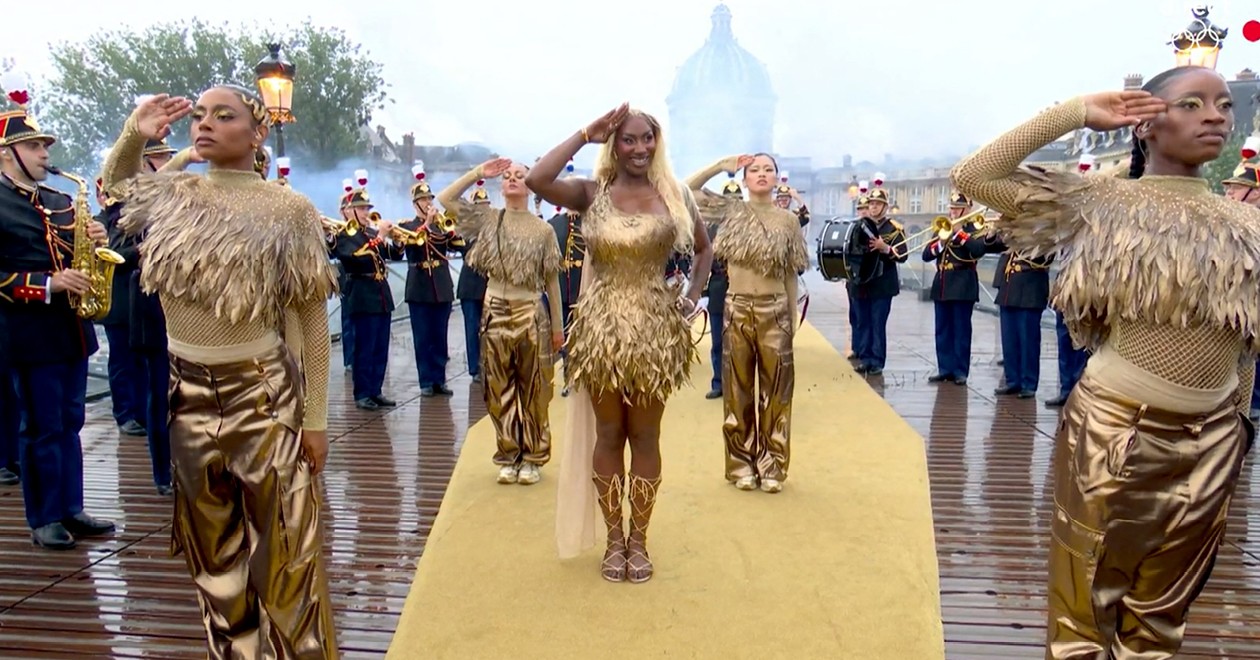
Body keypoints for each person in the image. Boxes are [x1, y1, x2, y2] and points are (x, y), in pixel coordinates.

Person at [952, 67, 1257, 659]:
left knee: (1163, 613)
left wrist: (1239, 424)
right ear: (1144, 123)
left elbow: (1245, 335)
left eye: (1223, 105)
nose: (1215, 115)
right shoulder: (1097, 203)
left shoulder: (1249, 225)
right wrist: (1073, 112)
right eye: (1191, 103)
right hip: (1115, 428)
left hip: (1214, 438)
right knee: (1083, 605)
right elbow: (975, 176)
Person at [112, 89, 339, 658]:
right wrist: (136, 133)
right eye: (198, 116)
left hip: (261, 395)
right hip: (184, 395)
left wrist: (315, 420)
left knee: (284, 552)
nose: (205, 125)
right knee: (212, 554)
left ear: (256, 133)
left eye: (223, 115)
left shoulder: (288, 209)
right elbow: (115, 186)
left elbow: (312, 321)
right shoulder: (173, 193)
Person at [527, 103, 713, 583]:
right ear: (615, 144)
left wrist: (693, 297)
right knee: (609, 435)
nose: (638, 148)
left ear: (657, 142)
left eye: (646, 139)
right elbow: (537, 180)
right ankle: (614, 540)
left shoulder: (674, 196)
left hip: (655, 333)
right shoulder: (592, 194)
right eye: (628, 139)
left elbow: (705, 250)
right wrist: (584, 134)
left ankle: (640, 541)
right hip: (600, 332)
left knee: (645, 436)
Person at [0, 100, 116, 550]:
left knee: (71, 421)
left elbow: (74, 253)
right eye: (34, 146)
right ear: (8, 152)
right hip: (29, 334)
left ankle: (71, 506)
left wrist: (95, 238)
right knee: (42, 427)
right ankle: (44, 516)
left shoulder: (59, 200)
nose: (46, 154)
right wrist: (47, 283)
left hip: (72, 331)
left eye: (45, 145)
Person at [437, 158, 564, 486]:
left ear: (531, 183)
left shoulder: (544, 229)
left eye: (519, 176)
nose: (511, 179)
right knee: (498, 388)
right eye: (507, 176)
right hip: (494, 310)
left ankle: (533, 457)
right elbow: (446, 200)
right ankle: (509, 454)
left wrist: (558, 327)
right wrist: (478, 173)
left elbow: (552, 282)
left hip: (530, 312)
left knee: (534, 389)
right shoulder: (488, 219)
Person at [687, 153, 808, 493]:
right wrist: (716, 166)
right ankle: (740, 464)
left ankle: (772, 466)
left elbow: (790, 273)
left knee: (777, 394)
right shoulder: (730, 211)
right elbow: (685, 191)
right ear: (744, 178)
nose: (761, 175)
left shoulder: (788, 221)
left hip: (776, 309)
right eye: (754, 170)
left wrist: (792, 319)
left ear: (777, 178)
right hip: (736, 307)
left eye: (768, 170)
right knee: (737, 391)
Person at [100, 135, 185, 496]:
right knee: (158, 391)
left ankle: (187, 463)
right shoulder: (123, 206)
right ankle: (162, 471)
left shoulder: (176, 203)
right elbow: (119, 251)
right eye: (160, 159)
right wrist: (156, 243)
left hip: (182, 305)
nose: (166, 165)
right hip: (149, 304)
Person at [330, 187, 404, 411]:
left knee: (380, 346)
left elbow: (392, 255)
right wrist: (380, 236)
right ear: (348, 212)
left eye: (366, 208)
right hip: (361, 291)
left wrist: (398, 242)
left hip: (380, 293)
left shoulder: (371, 233)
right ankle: (362, 393)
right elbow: (357, 258)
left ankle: (376, 390)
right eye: (361, 208)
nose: (365, 212)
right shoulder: (344, 236)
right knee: (364, 346)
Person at [398, 181, 456, 397]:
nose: (428, 202)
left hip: (441, 286)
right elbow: (410, 246)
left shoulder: (442, 226)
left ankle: (439, 379)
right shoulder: (407, 226)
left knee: (440, 335)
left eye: (430, 198)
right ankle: (426, 381)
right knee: (423, 337)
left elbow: (459, 245)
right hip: (419, 286)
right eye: (423, 200)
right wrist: (428, 224)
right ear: (415, 204)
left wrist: (450, 229)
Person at [922, 192, 987, 385]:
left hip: (962, 283)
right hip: (942, 283)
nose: (952, 211)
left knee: (961, 330)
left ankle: (960, 371)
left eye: (957, 208)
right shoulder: (942, 228)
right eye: (951, 207)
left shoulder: (975, 229)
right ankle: (945, 368)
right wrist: (941, 242)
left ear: (967, 209)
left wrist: (959, 233)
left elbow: (978, 250)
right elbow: (926, 255)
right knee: (942, 329)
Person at [850, 187, 908, 375]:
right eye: (871, 204)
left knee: (877, 323)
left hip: (882, 283)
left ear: (885, 207)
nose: (873, 207)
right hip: (862, 282)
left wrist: (885, 248)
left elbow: (903, 255)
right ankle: (865, 358)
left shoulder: (894, 228)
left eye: (877, 204)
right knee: (862, 322)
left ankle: (877, 361)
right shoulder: (859, 226)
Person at [702, 176, 742, 399]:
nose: (733, 203)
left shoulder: (748, 226)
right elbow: (702, 254)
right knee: (718, 341)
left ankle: (739, 383)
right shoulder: (711, 227)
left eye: (737, 199)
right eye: (729, 199)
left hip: (743, 289)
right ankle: (719, 383)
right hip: (718, 288)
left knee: (740, 342)